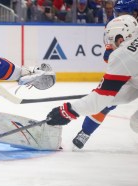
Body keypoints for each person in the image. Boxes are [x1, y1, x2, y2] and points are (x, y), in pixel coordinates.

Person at [46, 15, 138, 148]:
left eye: (110, 40)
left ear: (121, 38)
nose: (109, 45)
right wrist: (102, 96)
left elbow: (100, 100)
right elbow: (127, 93)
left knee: (136, 123)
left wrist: (68, 111)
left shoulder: (124, 54)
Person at [71, 1, 138, 149]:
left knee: (135, 123)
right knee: (107, 100)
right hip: (133, 74)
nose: (117, 17)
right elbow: (109, 55)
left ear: (135, 13)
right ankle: (86, 132)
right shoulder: (120, 26)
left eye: (121, 13)